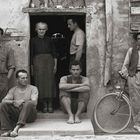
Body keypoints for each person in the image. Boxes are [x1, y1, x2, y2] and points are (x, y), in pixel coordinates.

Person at [0, 69, 38, 137]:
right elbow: (4, 101)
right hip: (18, 113)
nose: (25, 79)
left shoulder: (33, 88)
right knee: (2, 105)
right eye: (23, 78)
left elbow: (34, 102)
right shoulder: (13, 90)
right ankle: (6, 130)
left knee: (28, 103)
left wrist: (22, 101)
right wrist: (14, 102)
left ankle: (16, 129)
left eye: (26, 78)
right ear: (17, 79)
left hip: (30, 115)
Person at [30, 22, 57, 113]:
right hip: (38, 63)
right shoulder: (33, 40)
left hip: (49, 63)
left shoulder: (50, 40)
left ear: (46, 30)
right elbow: (31, 55)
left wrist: (55, 65)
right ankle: (44, 105)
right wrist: (32, 68)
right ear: (36, 29)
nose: (41, 31)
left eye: (43, 29)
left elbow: (54, 54)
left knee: (50, 83)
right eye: (40, 29)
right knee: (40, 84)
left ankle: (50, 104)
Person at [121, 33, 140, 132]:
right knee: (136, 101)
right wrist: (127, 77)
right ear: (136, 40)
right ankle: (137, 124)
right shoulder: (132, 51)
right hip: (134, 76)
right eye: (139, 39)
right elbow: (125, 65)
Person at [0, 27, 15, 102]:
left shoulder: (8, 49)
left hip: (2, 78)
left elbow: (12, 67)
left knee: (2, 101)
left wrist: (6, 79)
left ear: (1, 36)